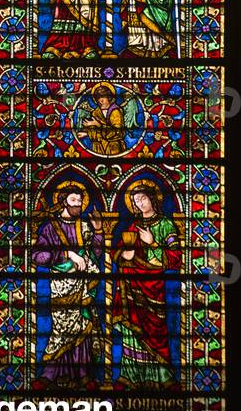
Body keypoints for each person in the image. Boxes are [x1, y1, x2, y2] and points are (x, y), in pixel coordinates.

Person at [31, 184, 103, 384]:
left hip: (82, 287)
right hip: (61, 288)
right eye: (73, 200)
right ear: (63, 202)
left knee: (83, 327)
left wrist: (98, 231)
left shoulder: (84, 226)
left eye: (80, 201)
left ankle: (83, 375)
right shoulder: (49, 228)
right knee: (61, 330)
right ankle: (51, 374)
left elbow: (96, 254)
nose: (78, 205)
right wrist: (65, 254)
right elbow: (38, 255)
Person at [112, 180, 181, 388]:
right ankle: (131, 377)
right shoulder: (134, 226)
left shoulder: (165, 225)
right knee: (131, 333)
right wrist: (124, 254)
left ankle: (160, 377)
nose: (140, 204)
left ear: (153, 199)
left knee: (154, 334)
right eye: (136, 200)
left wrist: (152, 243)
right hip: (132, 288)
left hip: (154, 290)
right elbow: (117, 254)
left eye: (143, 198)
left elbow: (176, 257)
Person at [77, 83, 126, 156]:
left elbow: (117, 133)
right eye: (98, 100)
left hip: (113, 148)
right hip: (98, 148)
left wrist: (98, 124)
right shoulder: (95, 113)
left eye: (102, 100)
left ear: (109, 98)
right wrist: (87, 133)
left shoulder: (116, 112)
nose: (100, 102)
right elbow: (95, 132)